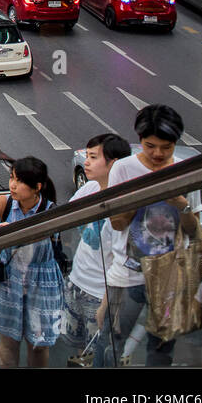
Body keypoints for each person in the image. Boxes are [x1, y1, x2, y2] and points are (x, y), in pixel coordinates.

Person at [94, 104, 199, 368]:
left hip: (169, 278)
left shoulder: (189, 170)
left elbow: (195, 231)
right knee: (110, 342)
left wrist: (180, 203)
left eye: (166, 147)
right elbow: (117, 224)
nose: (158, 154)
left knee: (162, 349)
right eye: (150, 146)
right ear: (140, 140)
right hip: (127, 275)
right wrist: (142, 194)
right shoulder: (124, 169)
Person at [0, 156, 65, 367]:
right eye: (11, 178)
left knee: (38, 345)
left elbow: (38, 235)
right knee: (8, 342)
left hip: (41, 283)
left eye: (19, 181)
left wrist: (4, 230)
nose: (12, 185)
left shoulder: (51, 210)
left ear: (37, 187)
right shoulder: (4, 202)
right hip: (10, 280)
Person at [60, 133, 131, 365]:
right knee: (79, 352)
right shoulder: (90, 188)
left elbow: (123, 259)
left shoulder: (125, 204)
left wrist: (107, 304)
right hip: (77, 283)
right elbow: (61, 219)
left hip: (101, 294)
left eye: (93, 157)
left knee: (101, 356)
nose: (86, 162)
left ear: (113, 163)